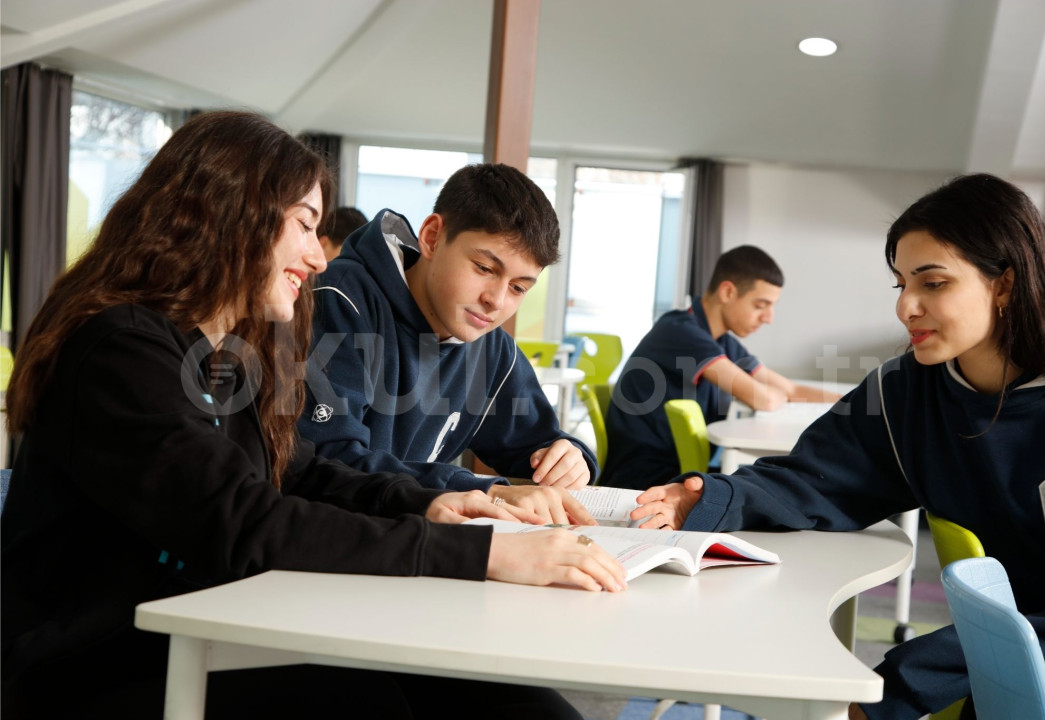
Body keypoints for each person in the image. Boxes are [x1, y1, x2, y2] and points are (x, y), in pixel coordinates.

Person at [0, 111, 627, 720]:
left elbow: (302, 473)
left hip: (229, 627)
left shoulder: (229, 354)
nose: (318, 255)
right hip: (105, 661)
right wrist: (475, 552)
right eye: (303, 225)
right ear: (226, 215)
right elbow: (245, 522)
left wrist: (429, 505)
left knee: (523, 706)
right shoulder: (119, 349)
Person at [629, 174, 1045, 720]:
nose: (905, 307)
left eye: (932, 283)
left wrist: (892, 688)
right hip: (1014, 667)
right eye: (900, 285)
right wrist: (710, 498)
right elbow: (818, 480)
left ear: (1005, 285)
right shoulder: (905, 392)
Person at [297, 163, 597, 516]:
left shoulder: (492, 350)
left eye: (518, 288)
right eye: (485, 269)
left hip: (411, 547)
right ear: (432, 237)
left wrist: (571, 456)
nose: (496, 301)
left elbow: (537, 445)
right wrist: (483, 491)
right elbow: (328, 461)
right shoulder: (337, 301)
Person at [601, 245, 842, 491]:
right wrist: (777, 395)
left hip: (680, 472)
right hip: (645, 481)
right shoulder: (680, 331)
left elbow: (787, 388)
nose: (768, 317)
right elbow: (765, 399)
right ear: (727, 292)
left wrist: (846, 403)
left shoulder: (721, 341)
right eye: (760, 305)